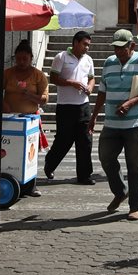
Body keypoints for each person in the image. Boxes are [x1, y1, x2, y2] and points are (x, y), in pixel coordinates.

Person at [89, 29, 138, 221]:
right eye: (116, 48)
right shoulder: (109, 62)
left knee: (135, 165)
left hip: (136, 121)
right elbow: (102, 91)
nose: (118, 51)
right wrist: (94, 117)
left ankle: (135, 205)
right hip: (111, 122)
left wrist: (129, 103)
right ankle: (120, 191)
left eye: (122, 48)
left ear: (132, 46)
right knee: (105, 157)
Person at [45, 31, 96, 185]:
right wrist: (71, 83)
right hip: (65, 106)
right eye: (84, 44)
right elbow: (53, 78)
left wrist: (90, 87)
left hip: (83, 106)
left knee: (85, 140)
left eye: (88, 45)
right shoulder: (61, 57)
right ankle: (50, 163)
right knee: (63, 140)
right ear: (75, 42)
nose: (87, 48)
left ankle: (84, 175)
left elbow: (92, 78)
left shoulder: (88, 60)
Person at [2, 39, 48, 197]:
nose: (21, 62)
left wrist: (31, 96)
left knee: (30, 153)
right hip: (9, 119)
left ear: (31, 58)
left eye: (25, 59)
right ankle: (9, 180)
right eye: (19, 59)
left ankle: (31, 185)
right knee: (10, 152)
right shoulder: (7, 73)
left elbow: (44, 99)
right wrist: (4, 104)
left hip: (30, 120)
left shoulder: (38, 75)